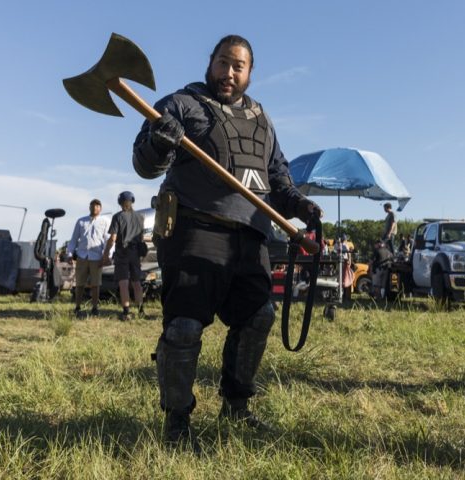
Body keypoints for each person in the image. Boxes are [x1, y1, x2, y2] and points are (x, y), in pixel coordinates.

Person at [131, 34, 322, 445]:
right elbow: (145, 163)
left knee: (259, 317)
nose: (229, 73)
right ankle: (177, 423)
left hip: (252, 235)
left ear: (250, 72)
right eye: (223, 62)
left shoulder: (262, 119)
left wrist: (303, 208)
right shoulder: (181, 104)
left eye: (238, 66)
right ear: (210, 62)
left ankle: (237, 406)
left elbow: (279, 182)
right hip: (196, 230)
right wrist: (158, 142)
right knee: (183, 328)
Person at [102, 191, 146, 322]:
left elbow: (113, 238)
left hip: (122, 252)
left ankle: (126, 312)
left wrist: (106, 254)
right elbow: (141, 238)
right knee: (137, 282)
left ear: (120, 202)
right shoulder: (140, 217)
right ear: (132, 201)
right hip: (136, 253)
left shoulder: (117, 217)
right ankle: (141, 310)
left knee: (123, 282)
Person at [67, 198, 110, 318]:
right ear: (89, 207)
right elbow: (74, 239)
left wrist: (108, 255)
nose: (95, 208)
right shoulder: (81, 221)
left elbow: (108, 240)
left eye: (97, 206)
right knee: (80, 283)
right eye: (93, 206)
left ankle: (95, 307)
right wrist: (70, 254)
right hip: (82, 256)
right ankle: (77, 307)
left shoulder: (105, 221)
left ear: (100, 209)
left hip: (97, 257)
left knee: (95, 284)